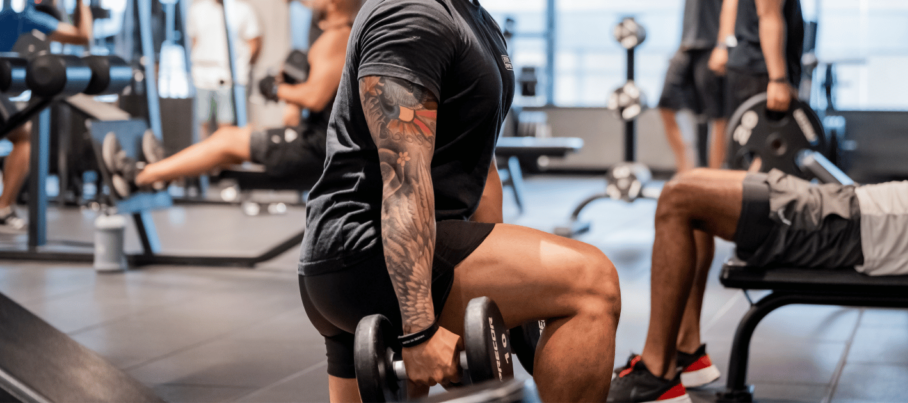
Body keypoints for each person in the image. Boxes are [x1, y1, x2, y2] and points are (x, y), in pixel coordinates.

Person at [297, 0, 622, 401]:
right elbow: (403, 178)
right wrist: (419, 330)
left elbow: (481, 170)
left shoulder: (473, 17)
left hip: (387, 252)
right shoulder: (413, 13)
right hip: (370, 252)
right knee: (591, 280)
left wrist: (516, 292)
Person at [608, 164, 908, 402]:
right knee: (687, 182)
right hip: (850, 203)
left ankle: (657, 375)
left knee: (681, 197)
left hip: (845, 229)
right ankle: (685, 353)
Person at [608, 0, 802, 401]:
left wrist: (773, 73)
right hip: (751, 64)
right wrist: (772, 72)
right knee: (693, 197)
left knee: (695, 198)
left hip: (754, 67)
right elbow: (758, 11)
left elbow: (763, 12)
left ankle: (675, 360)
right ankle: (686, 352)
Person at [100, 0, 357, 197]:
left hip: (318, 149)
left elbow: (313, 97)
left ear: (334, 2)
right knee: (233, 137)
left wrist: (275, 90)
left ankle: (141, 176)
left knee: (227, 139)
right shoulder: (333, 33)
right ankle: (166, 168)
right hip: (316, 140)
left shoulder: (339, 36)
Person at [0, 0, 91, 233]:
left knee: (21, 134)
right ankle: (2, 209)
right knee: (24, 137)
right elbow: (83, 36)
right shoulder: (29, 17)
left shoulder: (11, 16)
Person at [658, 0, 727, 172]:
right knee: (666, 104)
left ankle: (714, 180)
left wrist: (723, 44)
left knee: (717, 115)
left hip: (713, 44)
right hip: (687, 44)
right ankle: (686, 173)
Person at [187, 0, 262, 138]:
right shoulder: (197, 9)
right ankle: (204, 157)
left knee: (226, 123)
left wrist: (242, 67)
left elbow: (254, 42)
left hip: (229, 77)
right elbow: (194, 40)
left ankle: (224, 159)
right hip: (201, 76)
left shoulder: (243, 9)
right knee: (201, 122)